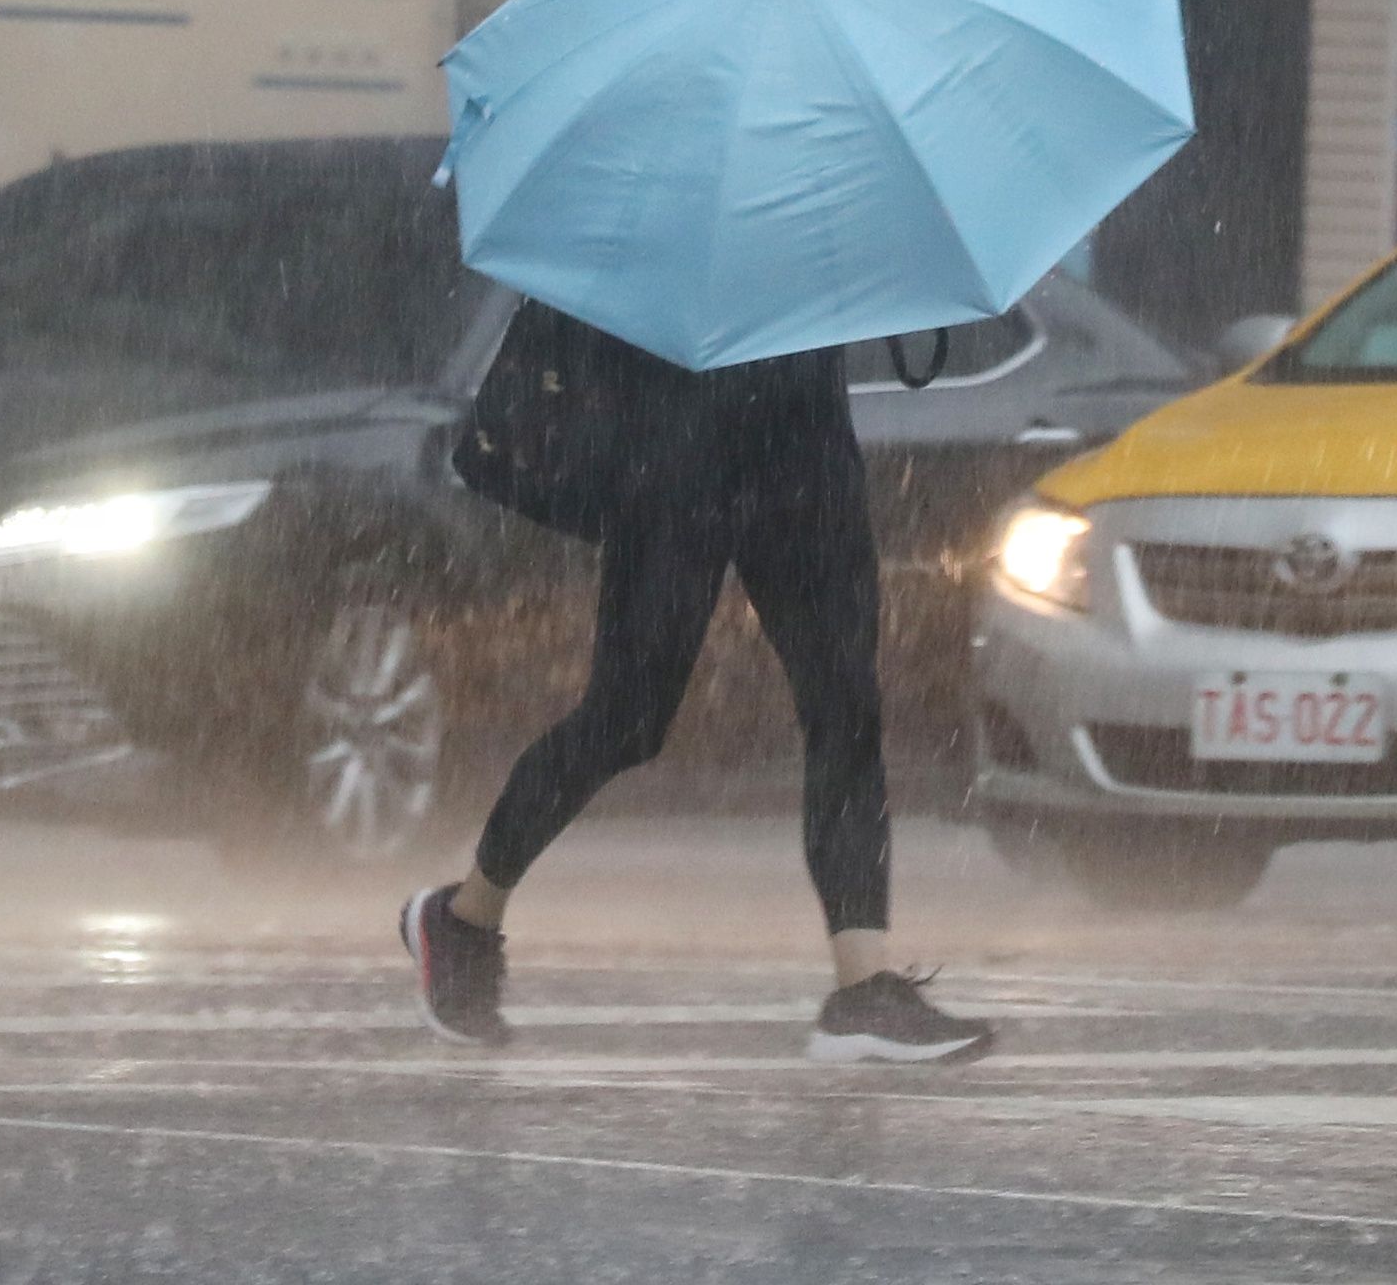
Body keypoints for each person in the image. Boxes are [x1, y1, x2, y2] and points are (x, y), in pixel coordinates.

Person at [401, 322, 993, 1063]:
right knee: (627, 719)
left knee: (844, 703)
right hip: (675, 440)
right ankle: (463, 920)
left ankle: (863, 987)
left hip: (803, 438)